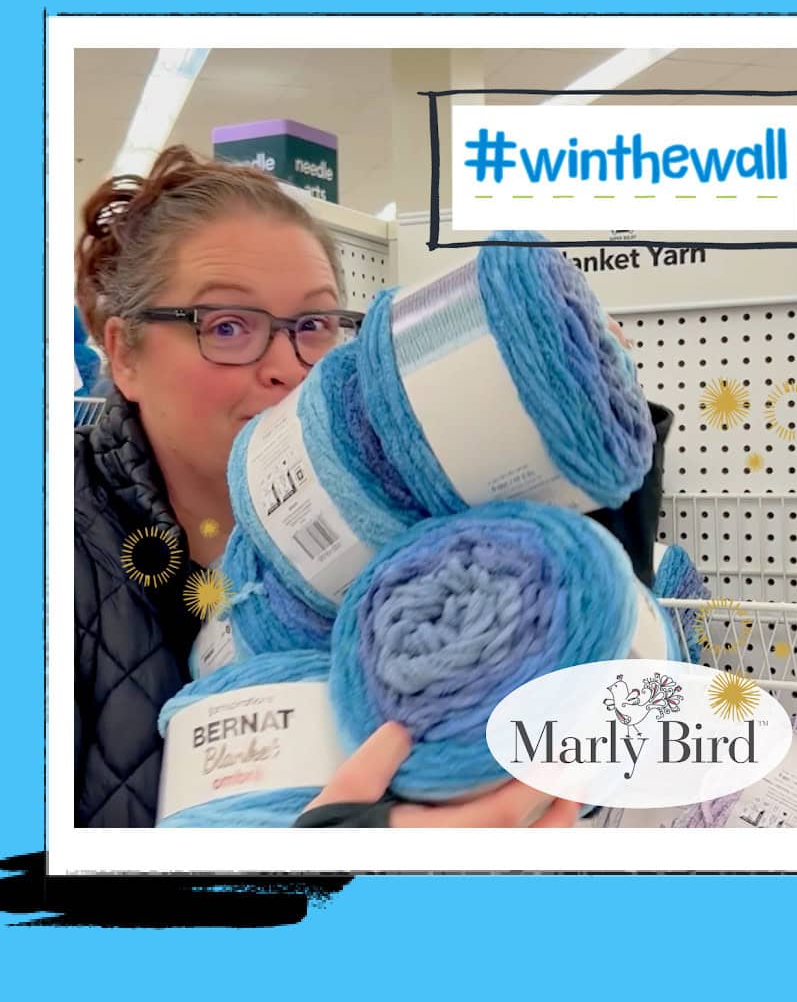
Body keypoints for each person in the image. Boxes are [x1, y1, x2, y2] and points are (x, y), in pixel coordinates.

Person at [73, 145, 578, 829]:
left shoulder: (397, 522)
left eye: (312, 326)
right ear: (124, 354)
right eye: (227, 326)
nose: (288, 366)